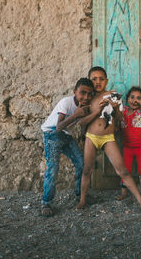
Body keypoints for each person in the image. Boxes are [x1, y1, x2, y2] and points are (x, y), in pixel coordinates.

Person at [76, 66, 141, 214]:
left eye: (101, 79)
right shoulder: (88, 98)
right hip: (91, 137)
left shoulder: (113, 95)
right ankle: (82, 199)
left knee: (122, 170)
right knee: (87, 170)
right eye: (94, 79)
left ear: (106, 80)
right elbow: (82, 121)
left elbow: (121, 119)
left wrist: (115, 109)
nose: (98, 82)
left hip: (108, 137)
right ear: (90, 80)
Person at [40, 78, 95, 217]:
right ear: (74, 92)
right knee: (53, 168)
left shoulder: (85, 107)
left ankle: (80, 195)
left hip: (66, 135)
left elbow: (80, 124)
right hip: (52, 133)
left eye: (90, 94)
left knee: (82, 164)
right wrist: (76, 114)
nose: (86, 97)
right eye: (82, 93)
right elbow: (58, 127)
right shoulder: (66, 102)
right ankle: (46, 202)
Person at [115, 86, 141, 203]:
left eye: (138, 98)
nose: (135, 100)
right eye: (132, 97)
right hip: (127, 148)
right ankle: (124, 192)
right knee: (125, 171)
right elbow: (118, 118)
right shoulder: (124, 111)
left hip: (140, 148)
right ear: (127, 99)